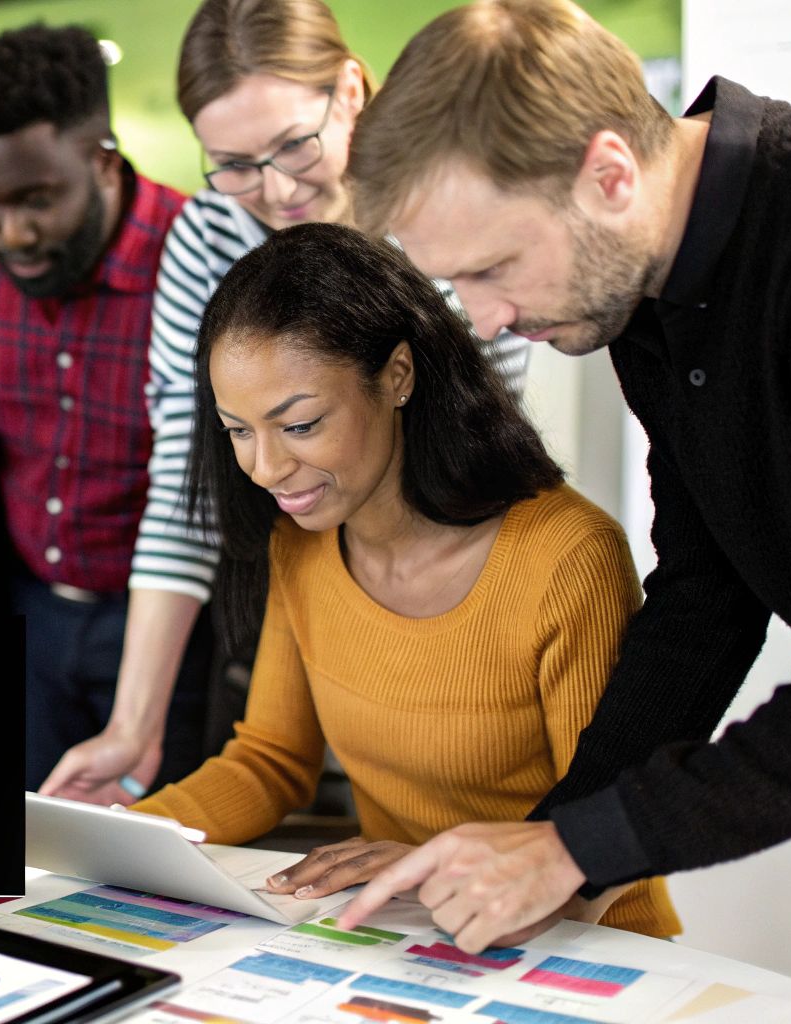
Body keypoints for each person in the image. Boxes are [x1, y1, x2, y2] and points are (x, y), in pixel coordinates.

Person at [335, 1, 791, 1017]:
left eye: (492, 268)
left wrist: (575, 848)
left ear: (607, 173)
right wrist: (552, 843)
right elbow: (704, 591)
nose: (486, 318)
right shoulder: (642, 289)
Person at [39, 0, 528, 805]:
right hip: (289, 606)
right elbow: (183, 486)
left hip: (453, 599)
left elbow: (486, 456)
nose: (270, 190)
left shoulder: (443, 214)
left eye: (292, 146)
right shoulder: (208, 236)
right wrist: (134, 725)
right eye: (230, 163)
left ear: (349, 92)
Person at [128, 221, 676, 939]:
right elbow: (269, 760)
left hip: (590, 943)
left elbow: (608, 826)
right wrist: (108, 838)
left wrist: (429, 866)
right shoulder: (304, 542)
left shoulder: (565, 557)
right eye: (237, 430)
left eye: (299, 425)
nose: (264, 468)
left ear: (398, 376)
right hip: (417, 936)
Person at [0, 24, 216, 793]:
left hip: (179, 631)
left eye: (36, 200)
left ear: (104, 161)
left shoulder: (199, 258)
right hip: (30, 620)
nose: (10, 233)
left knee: (165, 871)